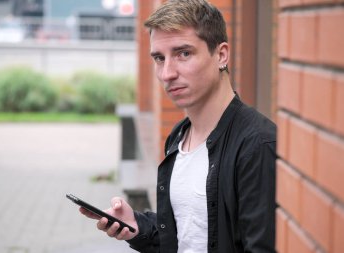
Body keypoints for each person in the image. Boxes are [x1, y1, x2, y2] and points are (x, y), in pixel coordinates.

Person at [79, 0, 276, 252]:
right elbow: (186, 234)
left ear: (221, 55)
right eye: (160, 58)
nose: (167, 73)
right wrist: (137, 225)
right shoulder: (179, 137)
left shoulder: (257, 145)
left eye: (184, 53)